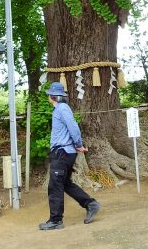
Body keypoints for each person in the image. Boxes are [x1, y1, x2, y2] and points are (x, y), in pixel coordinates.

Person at [38, 81, 101, 230]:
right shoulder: (60, 109)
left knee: (54, 186)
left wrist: (78, 144)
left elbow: (73, 127)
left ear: (52, 96)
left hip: (62, 153)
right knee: (65, 183)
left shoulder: (62, 109)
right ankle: (90, 204)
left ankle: (56, 220)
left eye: (49, 95)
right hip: (63, 152)